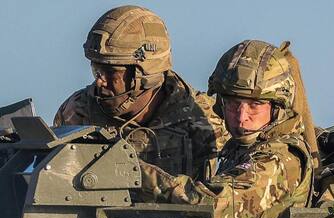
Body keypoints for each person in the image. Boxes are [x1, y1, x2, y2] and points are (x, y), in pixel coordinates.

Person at [53, 5, 228, 199]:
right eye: (97, 70)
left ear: (143, 74)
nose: (100, 81)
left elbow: (222, 196)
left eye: (111, 73)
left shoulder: (205, 119)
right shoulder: (77, 113)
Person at [139, 40, 314, 218]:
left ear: (278, 108)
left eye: (254, 105)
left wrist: (138, 176)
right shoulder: (239, 146)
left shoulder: (280, 158)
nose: (241, 117)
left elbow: (211, 206)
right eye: (232, 104)